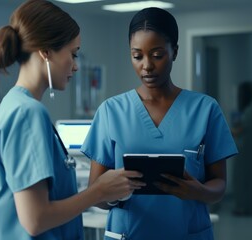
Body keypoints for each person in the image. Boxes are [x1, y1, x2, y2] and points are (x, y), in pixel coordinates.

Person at [0, 1, 144, 239]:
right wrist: (99, 191)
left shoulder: (13, 105)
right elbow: (35, 220)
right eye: (73, 54)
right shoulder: (28, 113)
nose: (76, 66)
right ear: (46, 52)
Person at [81, 7, 238, 240]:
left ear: (174, 51)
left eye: (156, 55)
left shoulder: (205, 110)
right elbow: (95, 193)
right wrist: (115, 194)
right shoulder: (111, 111)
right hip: (128, 233)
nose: (147, 65)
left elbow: (219, 185)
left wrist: (199, 191)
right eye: (137, 56)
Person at [231, 81, 252, 216]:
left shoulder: (250, 110)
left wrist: (229, 130)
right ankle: (246, 206)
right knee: (247, 179)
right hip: (247, 151)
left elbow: (238, 130)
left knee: (243, 179)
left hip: (245, 153)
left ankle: (244, 207)